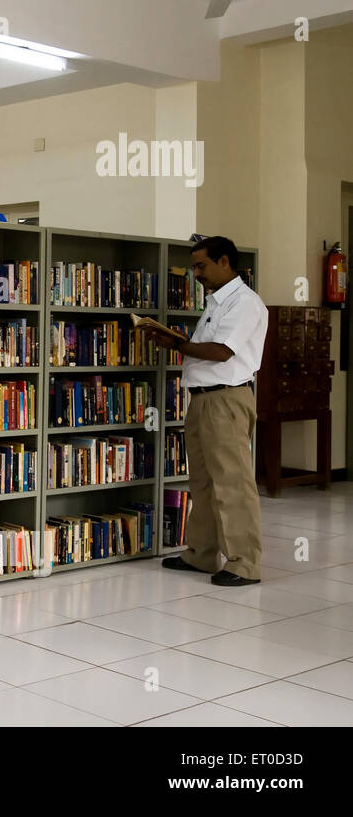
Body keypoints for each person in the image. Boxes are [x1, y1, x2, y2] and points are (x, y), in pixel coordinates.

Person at [149, 235, 268, 587]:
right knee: (201, 482)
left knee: (232, 484)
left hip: (226, 400)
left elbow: (221, 352)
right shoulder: (217, 303)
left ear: (225, 263)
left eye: (201, 265)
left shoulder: (245, 303)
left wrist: (179, 344)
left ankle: (244, 564)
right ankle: (200, 554)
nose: (196, 273)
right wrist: (179, 343)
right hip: (202, 399)